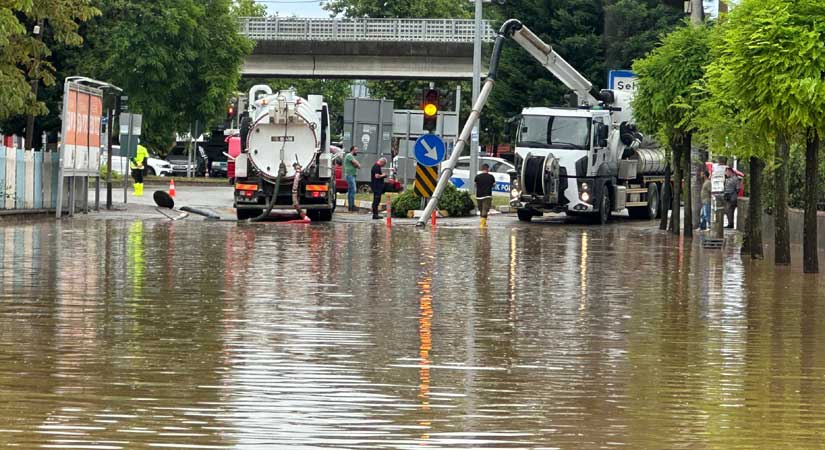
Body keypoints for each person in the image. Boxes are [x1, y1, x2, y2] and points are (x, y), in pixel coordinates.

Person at [475, 163, 496, 227]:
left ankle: (483, 223)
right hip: (487, 196)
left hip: (479, 196)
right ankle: (482, 225)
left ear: (482, 169)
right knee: (485, 210)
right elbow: (494, 185)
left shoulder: (477, 177)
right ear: (488, 169)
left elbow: (475, 185)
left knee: (481, 209)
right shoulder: (491, 177)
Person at [343, 146, 361, 211]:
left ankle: (351, 206)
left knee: (350, 191)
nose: (357, 151)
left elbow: (356, 164)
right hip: (350, 175)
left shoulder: (351, 156)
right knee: (353, 190)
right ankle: (352, 206)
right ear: (352, 150)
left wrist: (357, 165)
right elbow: (356, 163)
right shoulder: (349, 155)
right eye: (356, 150)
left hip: (352, 175)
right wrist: (357, 165)